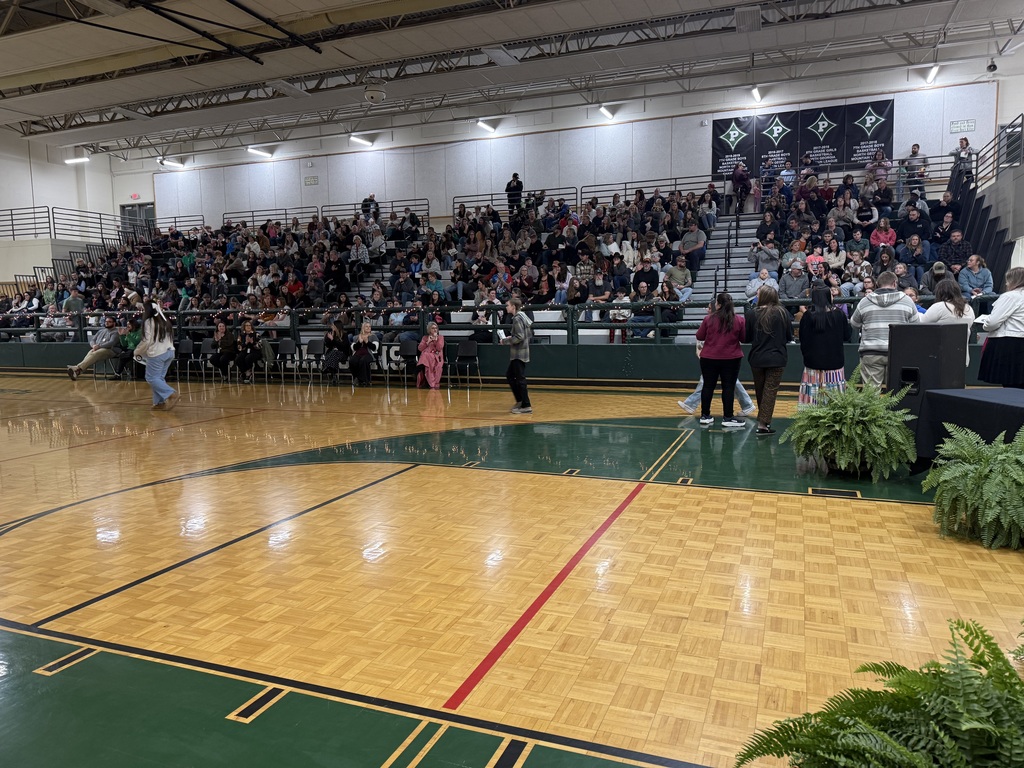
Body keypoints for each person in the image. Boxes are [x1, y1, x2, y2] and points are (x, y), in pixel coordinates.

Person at [849, 270, 920, 389]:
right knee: (896, 395)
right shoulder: (907, 301)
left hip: (871, 352)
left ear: (877, 284)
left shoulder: (864, 301)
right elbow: (916, 326)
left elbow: (854, 324)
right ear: (895, 283)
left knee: (871, 396)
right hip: (898, 353)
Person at [745, 286, 793, 435]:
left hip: (757, 357)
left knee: (760, 390)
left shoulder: (752, 313)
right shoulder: (782, 312)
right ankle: (763, 423)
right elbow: (789, 336)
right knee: (770, 391)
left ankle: (763, 421)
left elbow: (747, 337)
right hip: (777, 356)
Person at [694, 293, 746, 429]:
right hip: (732, 358)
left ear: (718, 304)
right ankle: (728, 417)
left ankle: (705, 416)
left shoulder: (708, 319)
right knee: (728, 387)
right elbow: (744, 338)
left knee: (708, 386)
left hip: (708, 357)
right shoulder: (739, 320)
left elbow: (699, 335)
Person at [798, 286, 851, 407]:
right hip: (834, 364)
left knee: (812, 399)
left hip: (812, 364)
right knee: (835, 401)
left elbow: (802, 338)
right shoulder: (839, 315)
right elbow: (847, 336)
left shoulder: (807, 316)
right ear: (828, 297)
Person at [977, 267, 1024, 389]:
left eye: (1008, 280)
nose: (1006, 283)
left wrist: (985, 323)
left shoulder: (1010, 296)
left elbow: (993, 322)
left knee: (1011, 387)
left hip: (1010, 344)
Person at [921, 279, 976, 366]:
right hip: (961, 358)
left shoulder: (940, 306)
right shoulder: (969, 308)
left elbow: (921, 323)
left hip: (939, 358)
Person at [138, 299, 178, 410]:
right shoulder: (165, 320)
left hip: (157, 353)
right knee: (159, 378)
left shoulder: (149, 321)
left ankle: (171, 394)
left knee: (151, 378)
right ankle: (159, 403)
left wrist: (137, 351)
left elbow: (147, 340)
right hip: (170, 352)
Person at [66, 314, 121, 380]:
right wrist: (94, 345)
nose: (107, 323)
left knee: (96, 353)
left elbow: (112, 342)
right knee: (91, 352)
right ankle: (77, 371)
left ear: (114, 323)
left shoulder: (115, 332)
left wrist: (99, 346)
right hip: (98, 348)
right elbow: (93, 340)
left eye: (109, 322)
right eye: (106, 321)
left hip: (111, 350)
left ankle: (77, 368)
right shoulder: (101, 331)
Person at [502, 297, 533, 414]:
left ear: (513, 306)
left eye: (508, 305)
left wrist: (506, 341)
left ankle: (526, 404)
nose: (506, 307)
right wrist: (513, 337)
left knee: (519, 379)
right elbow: (526, 334)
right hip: (522, 352)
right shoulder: (523, 316)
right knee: (511, 375)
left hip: (518, 353)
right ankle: (520, 400)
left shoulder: (517, 319)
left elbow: (519, 337)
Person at [416, 321, 445, 389]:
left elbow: (439, 348)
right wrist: (427, 342)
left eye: (436, 328)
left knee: (425, 355)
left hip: (437, 357)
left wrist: (435, 340)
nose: (435, 329)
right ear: (429, 329)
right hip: (428, 358)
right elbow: (420, 348)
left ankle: (419, 368)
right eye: (433, 328)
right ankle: (422, 369)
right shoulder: (425, 338)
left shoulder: (440, 337)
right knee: (426, 355)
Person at [350, 320, 379, 386]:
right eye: (366, 326)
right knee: (352, 360)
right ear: (363, 328)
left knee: (363, 360)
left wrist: (367, 342)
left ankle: (363, 380)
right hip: (358, 353)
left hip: (369, 354)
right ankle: (356, 377)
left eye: (369, 327)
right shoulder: (356, 337)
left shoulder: (373, 336)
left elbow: (375, 347)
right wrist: (359, 343)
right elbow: (353, 348)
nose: (368, 328)